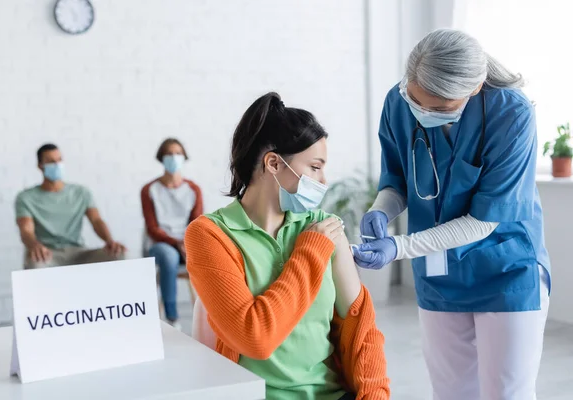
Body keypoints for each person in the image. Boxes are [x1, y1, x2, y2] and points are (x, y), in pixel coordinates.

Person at [353, 29, 550, 400]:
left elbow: (485, 218)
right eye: (416, 100)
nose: (423, 112)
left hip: (505, 269)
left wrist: (398, 247)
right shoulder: (398, 103)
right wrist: (382, 209)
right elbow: (397, 178)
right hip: (439, 272)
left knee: (507, 393)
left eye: (441, 108)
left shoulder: (511, 114)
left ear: (474, 89)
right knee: (451, 392)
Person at [185, 93, 390, 400]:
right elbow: (254, 338)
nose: (324, 180)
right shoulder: (211, 235)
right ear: (273, 163)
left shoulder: (324, 224)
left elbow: (362, 328)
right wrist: (310, 251)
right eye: (315, 167)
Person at [16, 143, 126, 269]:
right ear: (40, 166)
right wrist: (34, 245)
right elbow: (26, 230)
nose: (57, 165)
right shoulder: (26, 198)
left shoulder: (81, 193)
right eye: (51, 162)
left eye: (59, 160)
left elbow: (96, 220)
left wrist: (109, 240)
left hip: (78, 253)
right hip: (47, 254)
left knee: (119, 255)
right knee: (35, 264)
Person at [141, 138, 203, 327]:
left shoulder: (193, 189)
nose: (174, 157)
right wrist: (176, 243)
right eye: (169, 153)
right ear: (161, 157)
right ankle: (172, 317)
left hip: (187, 244)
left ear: (184, 157)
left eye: (178, 153)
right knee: (169, 257)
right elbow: (152, 228)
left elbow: (197, 223)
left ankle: (211, 320)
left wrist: (187, 243)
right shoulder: (149, 190)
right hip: (161, 245)